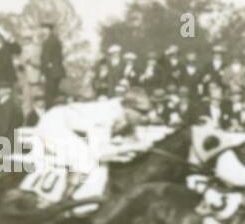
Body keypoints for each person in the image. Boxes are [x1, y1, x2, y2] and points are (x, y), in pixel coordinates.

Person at [21, 86, 153, 213]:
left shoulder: (125, 113)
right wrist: (135, 147)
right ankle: (53, 201)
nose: (146, 117)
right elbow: (100, 153)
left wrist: (131, 147)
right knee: (85, 158)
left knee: (96, 159)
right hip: (53, 124)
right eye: (142, 113)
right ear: (128, 109)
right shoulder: (107, 115)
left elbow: (130, 142)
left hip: (71, 127)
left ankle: (79, 198)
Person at [39, 22, 64, 105]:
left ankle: (50, 113)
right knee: (53, 94)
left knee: (50, 95)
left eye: (44, 29)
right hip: (55, 71)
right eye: (42, 29)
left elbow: (46, 59)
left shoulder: (50, 41)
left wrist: (43, 73)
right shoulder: (53, 39)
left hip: (51, 72)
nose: (42, 31)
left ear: (49, 30)